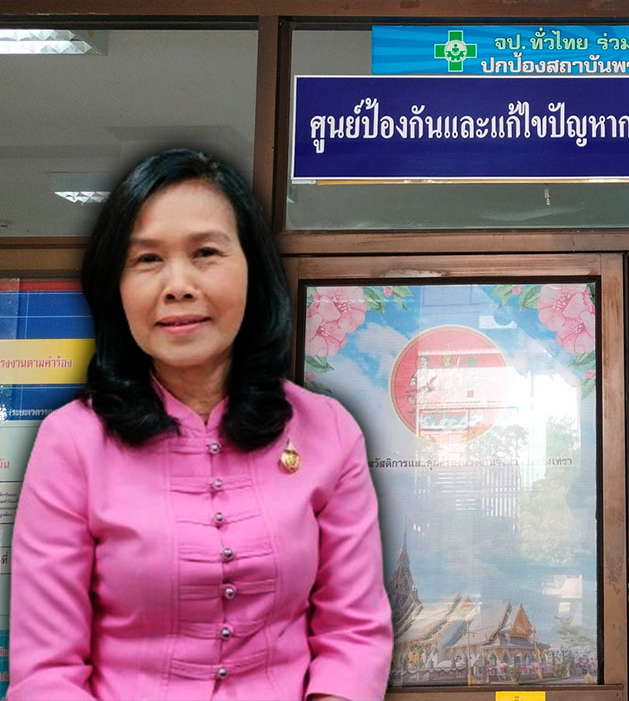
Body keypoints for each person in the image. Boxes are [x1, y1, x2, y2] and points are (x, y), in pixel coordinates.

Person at [10, 149, 393, 700]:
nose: (178, 285)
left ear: (253, 269)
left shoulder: (326, 431)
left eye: (206, 253)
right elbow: (47, 672)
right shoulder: (72, 441)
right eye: (147, 259)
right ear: (116, 286)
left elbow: (353, 635)